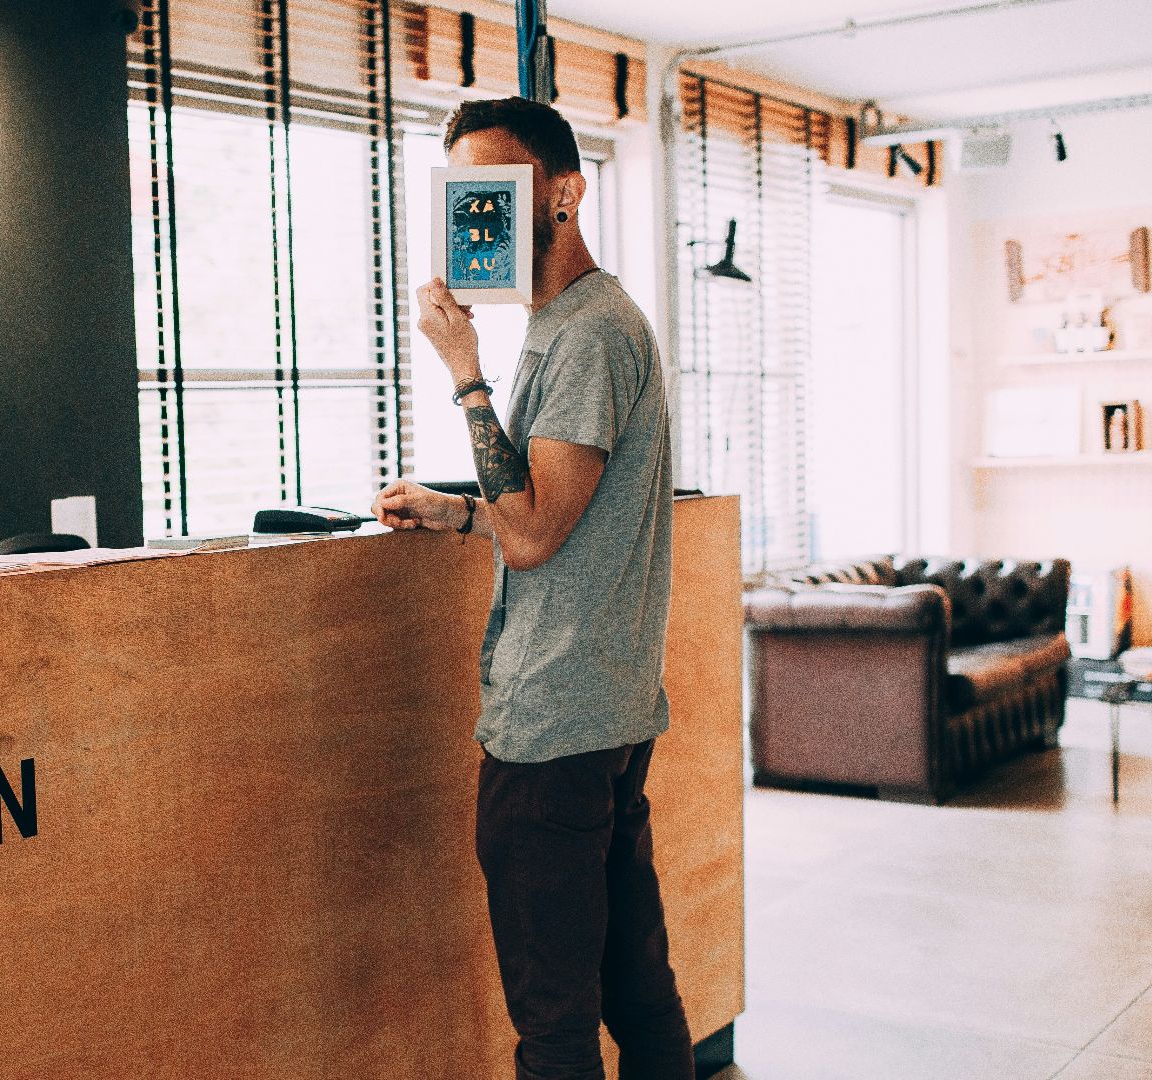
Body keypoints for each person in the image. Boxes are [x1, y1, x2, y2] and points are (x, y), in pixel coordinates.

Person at [370, 97, 692, 1080]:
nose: (482, 213)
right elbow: (547, 513)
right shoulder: (575, 324)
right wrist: (458, 512)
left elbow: (538, 534)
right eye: (467, 192)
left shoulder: (588, 333)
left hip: (553, 725)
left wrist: (463, 370)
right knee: (635, 980)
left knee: (553, 1019)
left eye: (500, 188)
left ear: (563, 194)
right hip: (603, 709)